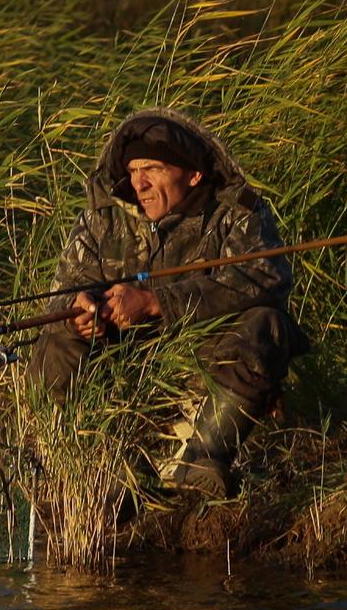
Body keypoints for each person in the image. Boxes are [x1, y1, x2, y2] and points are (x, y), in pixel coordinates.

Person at [28, 109, 309, 498]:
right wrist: (76, 313)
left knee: (267, 323)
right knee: (54, 344)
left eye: (152, 170)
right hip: (124, 371)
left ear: (193, 175)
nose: (138, 183)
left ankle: (201, 460)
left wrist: (157, 302)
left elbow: (267, 278)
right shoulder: (101, 219)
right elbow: (60, 294)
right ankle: (120, 470)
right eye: (133, 170)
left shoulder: (236, 212)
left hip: (205, 369)